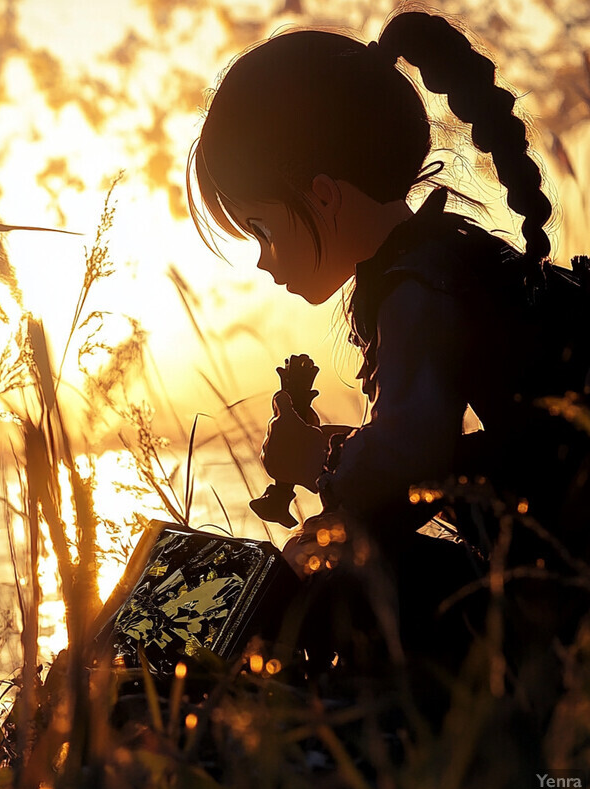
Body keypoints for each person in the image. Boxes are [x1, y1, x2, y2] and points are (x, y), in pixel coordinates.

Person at [186, 11, 590, 685]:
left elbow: (409, 456)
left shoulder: (417, 285)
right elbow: (437, 454)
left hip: (561, 593)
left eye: (261, 228)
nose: (261, 260)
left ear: (321, 194)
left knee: (324, 573)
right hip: (554, 562)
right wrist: (339, 453)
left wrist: (317, 458)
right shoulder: (434, 261)